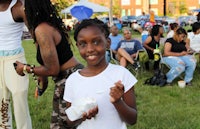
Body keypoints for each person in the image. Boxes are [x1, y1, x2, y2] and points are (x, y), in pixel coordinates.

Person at [14, 0, 84, 128]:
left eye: (24, 6)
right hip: (67, 78)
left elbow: (53, 69)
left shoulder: (42, 30)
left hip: (69, 79)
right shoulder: (43, 26)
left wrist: (24, 68)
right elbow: (48, 62)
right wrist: (42, 74)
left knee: (63, 124)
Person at [63, 18, 137, 129]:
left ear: (107, 43)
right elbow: (69, 121)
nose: (90, 49)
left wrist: (117, 102)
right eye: (83, 44)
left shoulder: (121, 75)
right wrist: (81, 116)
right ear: (77, 46)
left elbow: (132, 119)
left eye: (96, 42)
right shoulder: (72, 80)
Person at [0, 0, 32, 129]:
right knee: (2, 102)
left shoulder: (18, 7)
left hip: (15, 59)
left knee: (19, 99)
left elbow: (36, 33)